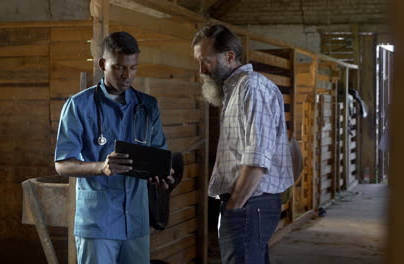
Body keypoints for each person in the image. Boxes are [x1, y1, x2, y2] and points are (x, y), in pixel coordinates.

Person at [54, 31, 173, 264]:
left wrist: (161, 176)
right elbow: (62, 165)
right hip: (98, 223)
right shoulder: (79, 105)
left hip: (136, 222)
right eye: (119, 67)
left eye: (133, 68)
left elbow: (160, 155)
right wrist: (101, 167)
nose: (127, 75)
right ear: (102, 64)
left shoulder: (147, 107)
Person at [192, 24, 294, 264]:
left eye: (206, 61)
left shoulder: (252, 87)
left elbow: (257, 159)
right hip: (248, 203)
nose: (201, 69)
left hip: (250, 202)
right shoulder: (234, 89)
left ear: (229, 57)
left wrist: (235, 206)